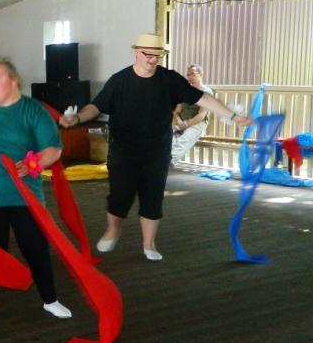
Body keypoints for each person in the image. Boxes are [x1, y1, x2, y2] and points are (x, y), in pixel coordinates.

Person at [59, 34, 250, 261]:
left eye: (156, 56)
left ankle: (149, 244)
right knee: (120, 195)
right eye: (147, 54)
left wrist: (232, 116)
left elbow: (203, 99)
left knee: (153, 196)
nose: (151, 60)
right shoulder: (119, 81)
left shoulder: (170, 79)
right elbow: (96, 106)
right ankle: (113, 230)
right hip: (123, 149)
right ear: (136, 52)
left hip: (157, 150)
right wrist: (77, 118)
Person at [0, 59, 72, 323]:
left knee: (35, 248)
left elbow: (53, 149)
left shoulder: (34, 111)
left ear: (14, 80)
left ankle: (50, 300)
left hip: (25, 196)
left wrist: (34, 163)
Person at [171, 64, 213, 165]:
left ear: (201, 75)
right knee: (166, 137)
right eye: (188, 75)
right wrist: (179, 121)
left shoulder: (206, 92)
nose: (190, 77)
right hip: (180, 122)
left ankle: (167, 162)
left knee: (183, 141)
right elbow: (176, 111)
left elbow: (201, 115)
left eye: (193, 74)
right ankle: (159, 161)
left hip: (197, 123)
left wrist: (186, 124)